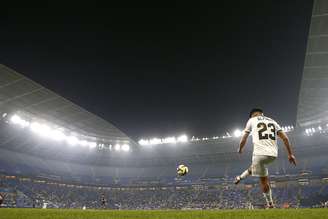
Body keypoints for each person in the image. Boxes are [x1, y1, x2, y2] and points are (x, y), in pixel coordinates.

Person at [234, 108, 296, 208]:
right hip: (273, 154)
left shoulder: (252, 120)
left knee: (263, 180)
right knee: (255, 167)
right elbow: (285, 138)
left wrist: (240, 149)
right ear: (262, 114)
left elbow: (244, 138)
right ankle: (239, 177)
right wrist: (290, 154)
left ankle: (270, 204)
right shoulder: (273, 121)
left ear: (253, 115)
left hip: (259, 153)